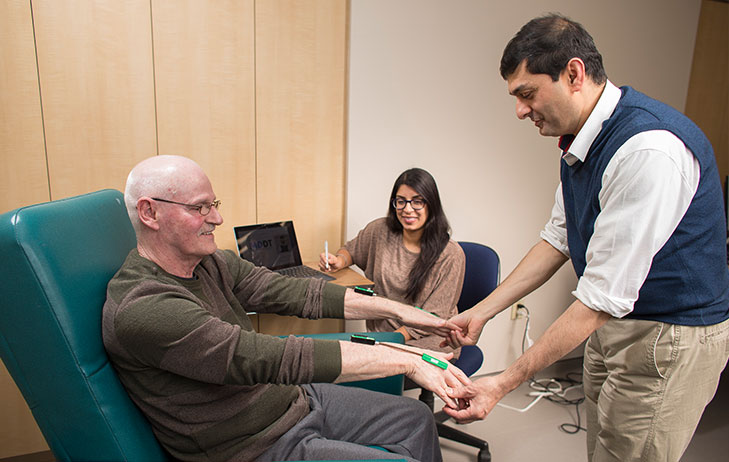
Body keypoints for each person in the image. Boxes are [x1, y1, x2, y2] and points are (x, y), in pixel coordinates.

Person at [441, 14, 729, 462]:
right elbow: (557, 239)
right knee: (606, 447)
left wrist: (502, 382)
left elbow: (598, 299)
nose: (520, 110)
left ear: (573, 74)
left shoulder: (648, 150)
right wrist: (480, 313)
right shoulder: (580, 140)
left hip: (670, 333)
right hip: (618, 319)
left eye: (527, 94)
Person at [102, 155, 472, 462]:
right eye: (200, 208)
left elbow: (293, 292)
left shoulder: (209, 262)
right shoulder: (145, 306)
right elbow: (263, 357)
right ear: (150, 213)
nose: (216, 219)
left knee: (416, 417)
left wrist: (407, 312)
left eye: (213, 205)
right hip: (251, 445)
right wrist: (409, 360)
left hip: (291, 399)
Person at [320, 168, 465, 358]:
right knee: (337, 355)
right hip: (384, 337)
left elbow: (433, 319)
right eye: (401, 201)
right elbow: (352, 250)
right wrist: (339, 260)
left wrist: (389, 342)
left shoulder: (451, 255)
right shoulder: (379, 231)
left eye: (417, 201)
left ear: (432, 204)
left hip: (429, 340)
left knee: (357, 362)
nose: (407, 209)